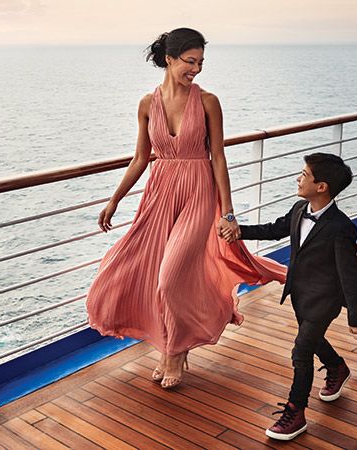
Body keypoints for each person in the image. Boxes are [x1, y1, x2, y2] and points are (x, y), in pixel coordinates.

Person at [85, 28, 287, 389]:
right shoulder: (148, 104)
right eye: (189, 61)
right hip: (160, 195)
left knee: (170, 278)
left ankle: (175, 353)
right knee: (130, 268)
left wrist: (228, 213)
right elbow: (140, 158)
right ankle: (168, 349)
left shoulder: (208, 101)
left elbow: (219, 159)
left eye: (200, 63)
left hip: (198, 194)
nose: (196, 69)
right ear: (169, 59)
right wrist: (114, 199)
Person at [228, 153, 357, 441]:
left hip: (325, 299)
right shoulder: (298, 208)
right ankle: (337, 367)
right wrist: (239, 231)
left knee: (301, 351)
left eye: (304, 174)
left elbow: (351, 275)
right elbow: (273, 229)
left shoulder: (341, 228)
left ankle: (296, 412)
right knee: (312, 339)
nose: (298, 178)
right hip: (299, 293)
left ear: (322, 187)